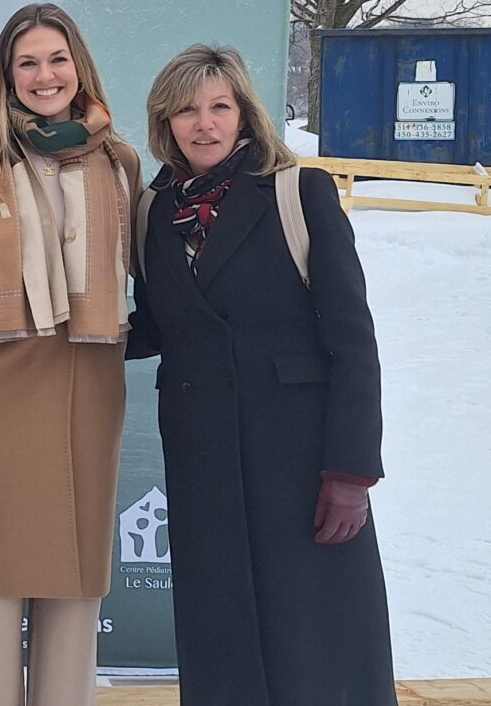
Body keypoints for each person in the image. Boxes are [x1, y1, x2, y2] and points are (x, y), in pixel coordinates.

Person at [129, 44, 395, 706]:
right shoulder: (154, 211)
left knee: (316, 641)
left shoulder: (297, 193)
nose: (205, 124)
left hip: (301, 465)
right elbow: (164, 325)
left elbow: (353, 343)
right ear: (167, 122)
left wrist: (351, 473)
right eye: (188, 110)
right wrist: (73, 339)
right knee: (220, 635)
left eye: (220, 107)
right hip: (203, 460)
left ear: (245, 115)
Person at [0, 2, 143, 706]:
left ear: (79, 66)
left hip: (86, 395)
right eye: (28, 62)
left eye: (56, 59)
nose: (45, 75)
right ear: (6, 75)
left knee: (74, 590)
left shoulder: (120, 162)